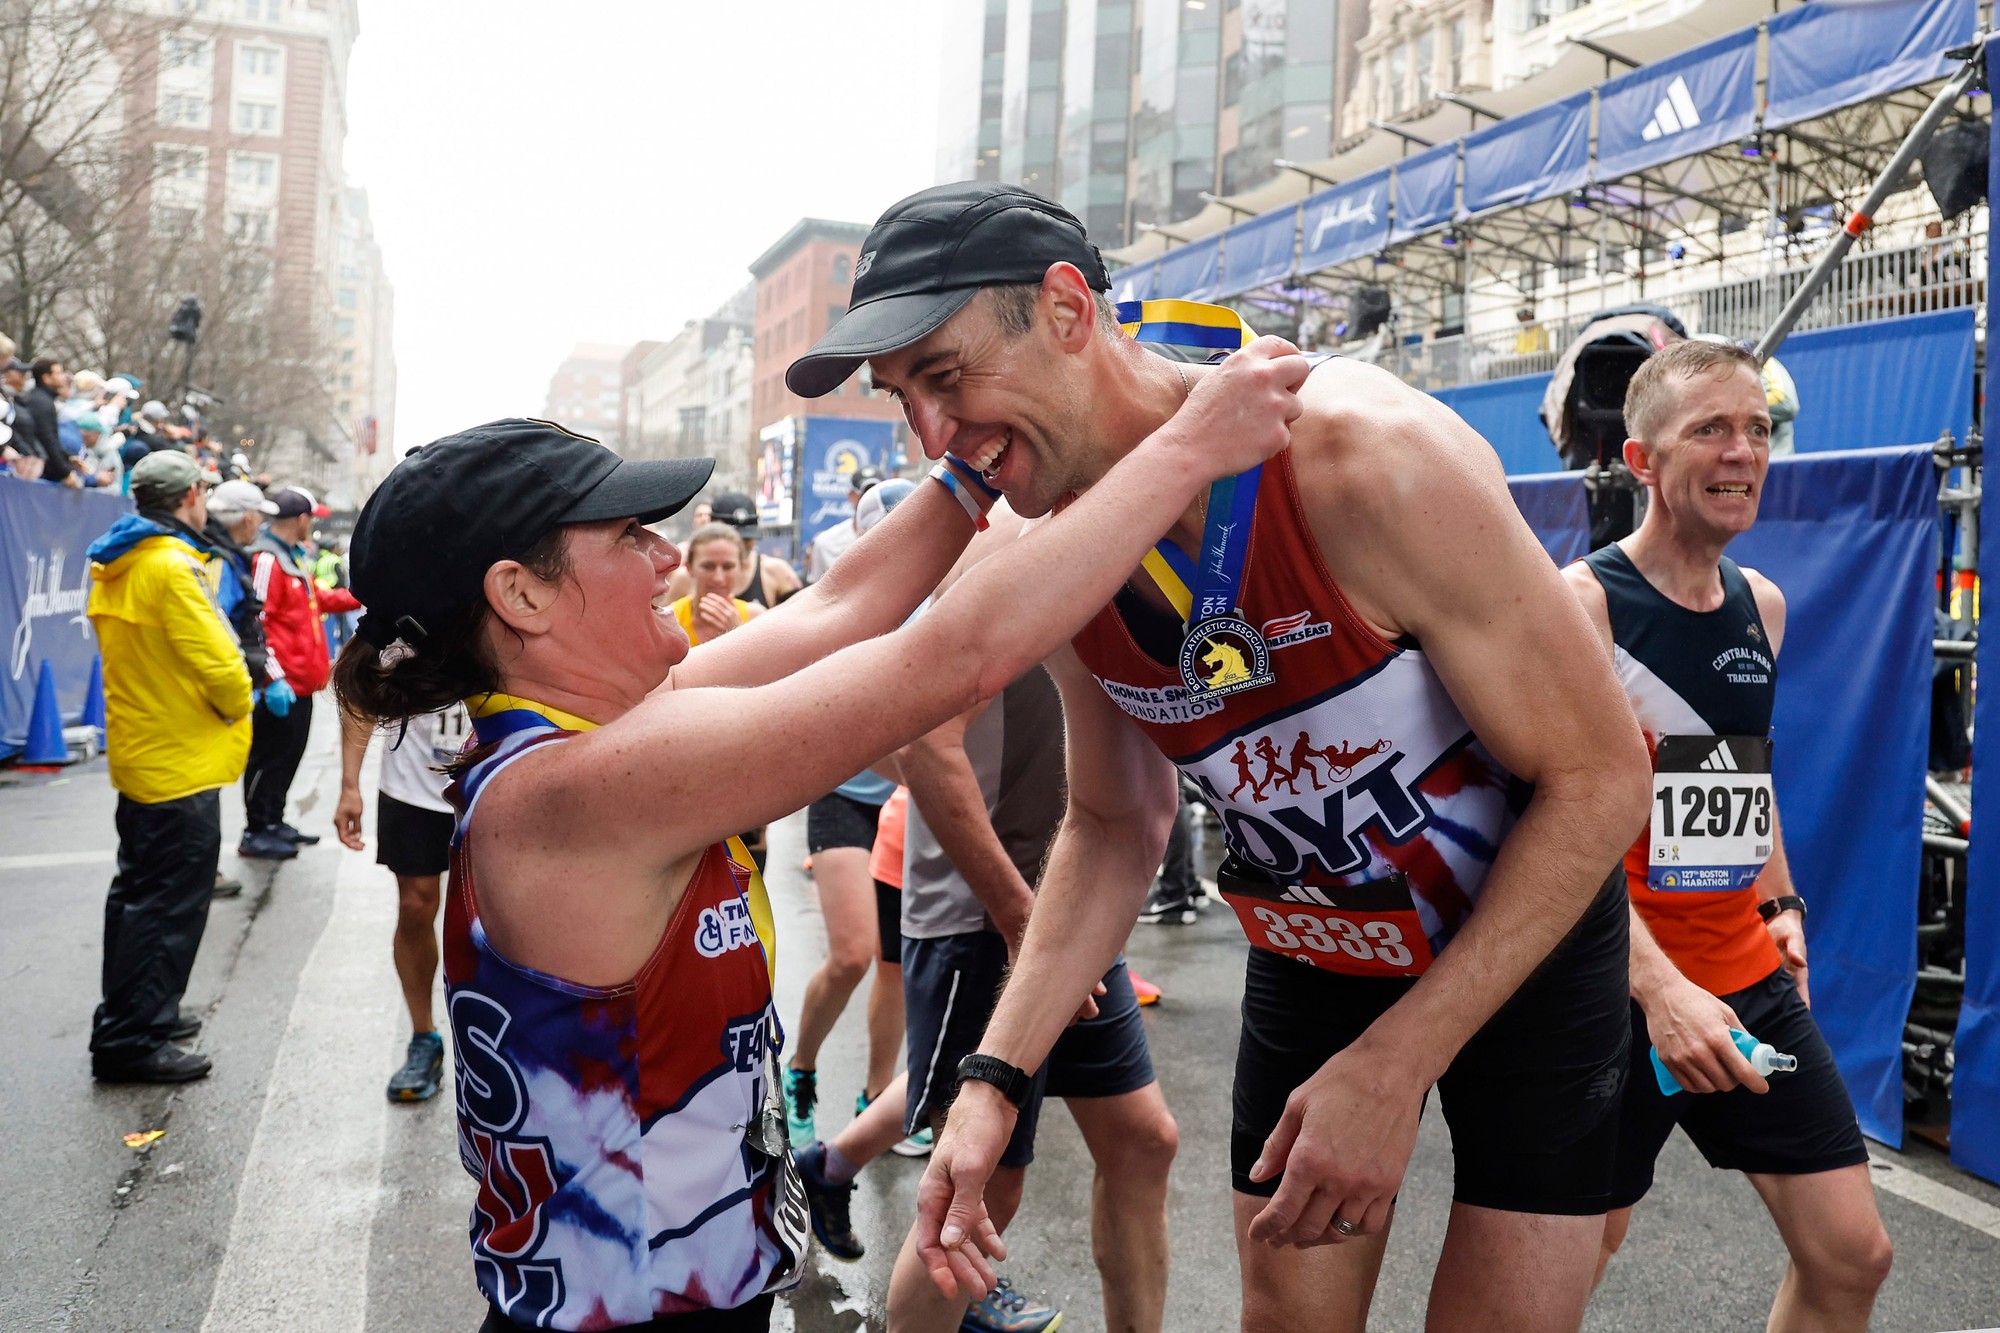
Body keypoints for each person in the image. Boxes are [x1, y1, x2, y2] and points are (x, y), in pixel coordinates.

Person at [786, 182, 1649, 1331]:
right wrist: (995, 1078)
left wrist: (1395, 1068)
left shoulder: (1364, 456)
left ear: (1063, 309)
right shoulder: (1050, 543)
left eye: (944, 378)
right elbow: (1111, 824)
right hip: (1321, 944)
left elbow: (1601, 776)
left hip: (1525, 954)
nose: (933, 439)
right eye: (904, 401)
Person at [330, 392, 1300, 1329]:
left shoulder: (594, 727)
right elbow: (948, 660)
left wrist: (971, 469)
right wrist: (1182, 451)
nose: (671, 556)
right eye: (629, 536)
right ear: (521, 593)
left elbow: (839, 606)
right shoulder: (579, 787)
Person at [1561, 340, 1892, 1329]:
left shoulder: (1762, 607)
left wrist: (1780, 907)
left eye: (1755, 428)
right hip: (1610, 991)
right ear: (1640, 461)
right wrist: (1654, 987)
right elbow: (1548, 831)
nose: (1740, 450)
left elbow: (1739, 778)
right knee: (1570, 1257)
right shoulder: (1582, 607)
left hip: (1743, 978)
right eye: (1709, 428)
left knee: (1850, 1256)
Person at [85, 451, 253, 1082]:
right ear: (188, 496)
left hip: (145, 755)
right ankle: (134, 1039)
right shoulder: (172, 566)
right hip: (180, 761)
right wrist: (239, 705)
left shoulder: (118, 563)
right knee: (166, 907)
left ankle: (137, 1012)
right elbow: (220, 667)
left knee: (137, 897)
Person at [334, 700, 474, 1101]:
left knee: (497, 917)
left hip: (491, 777)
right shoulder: (390, 636)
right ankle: (423, 1037)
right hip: (411, 787)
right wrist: (349, 785)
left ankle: (498, 1040)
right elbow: (360, 698)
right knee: (415, 906)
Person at [241, 486, 360, 859]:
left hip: (300, 686)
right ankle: (257, 830)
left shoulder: (291, 559)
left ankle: (273, 821)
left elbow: (318, 601)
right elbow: (256, 620)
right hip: (282, 685)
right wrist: (272, 677)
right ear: (302, 519)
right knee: (269, 759)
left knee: (287, 757)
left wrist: (365, 592)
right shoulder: (267, 560)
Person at [666, 492, 803, 608]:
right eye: (708, 567)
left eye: (746, 539)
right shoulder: (684, 578)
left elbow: (801, 624)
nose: (719, 578)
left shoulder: (776, 573)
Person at [670, 522, 765, 644]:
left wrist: (739, 633)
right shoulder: (672, 621)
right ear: (690, 568)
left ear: (741, 568)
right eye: (708, 567)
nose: (718, 578)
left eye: (728, 567)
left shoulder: (755, 618)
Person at [805, 464, 883, 582]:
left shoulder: (899, 539)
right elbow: (815, 591)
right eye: (865, 492)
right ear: (851, 495)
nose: (870, 498)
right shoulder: (826, 543)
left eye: (876, 493)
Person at [18, 357, 77, 486]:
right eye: (59, 373)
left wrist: (67, 457)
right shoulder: (42, 403)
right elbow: (47, 439)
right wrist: (65, 472)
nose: (64, 377)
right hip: (37, 471)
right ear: (46, 378)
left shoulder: (42, 399)